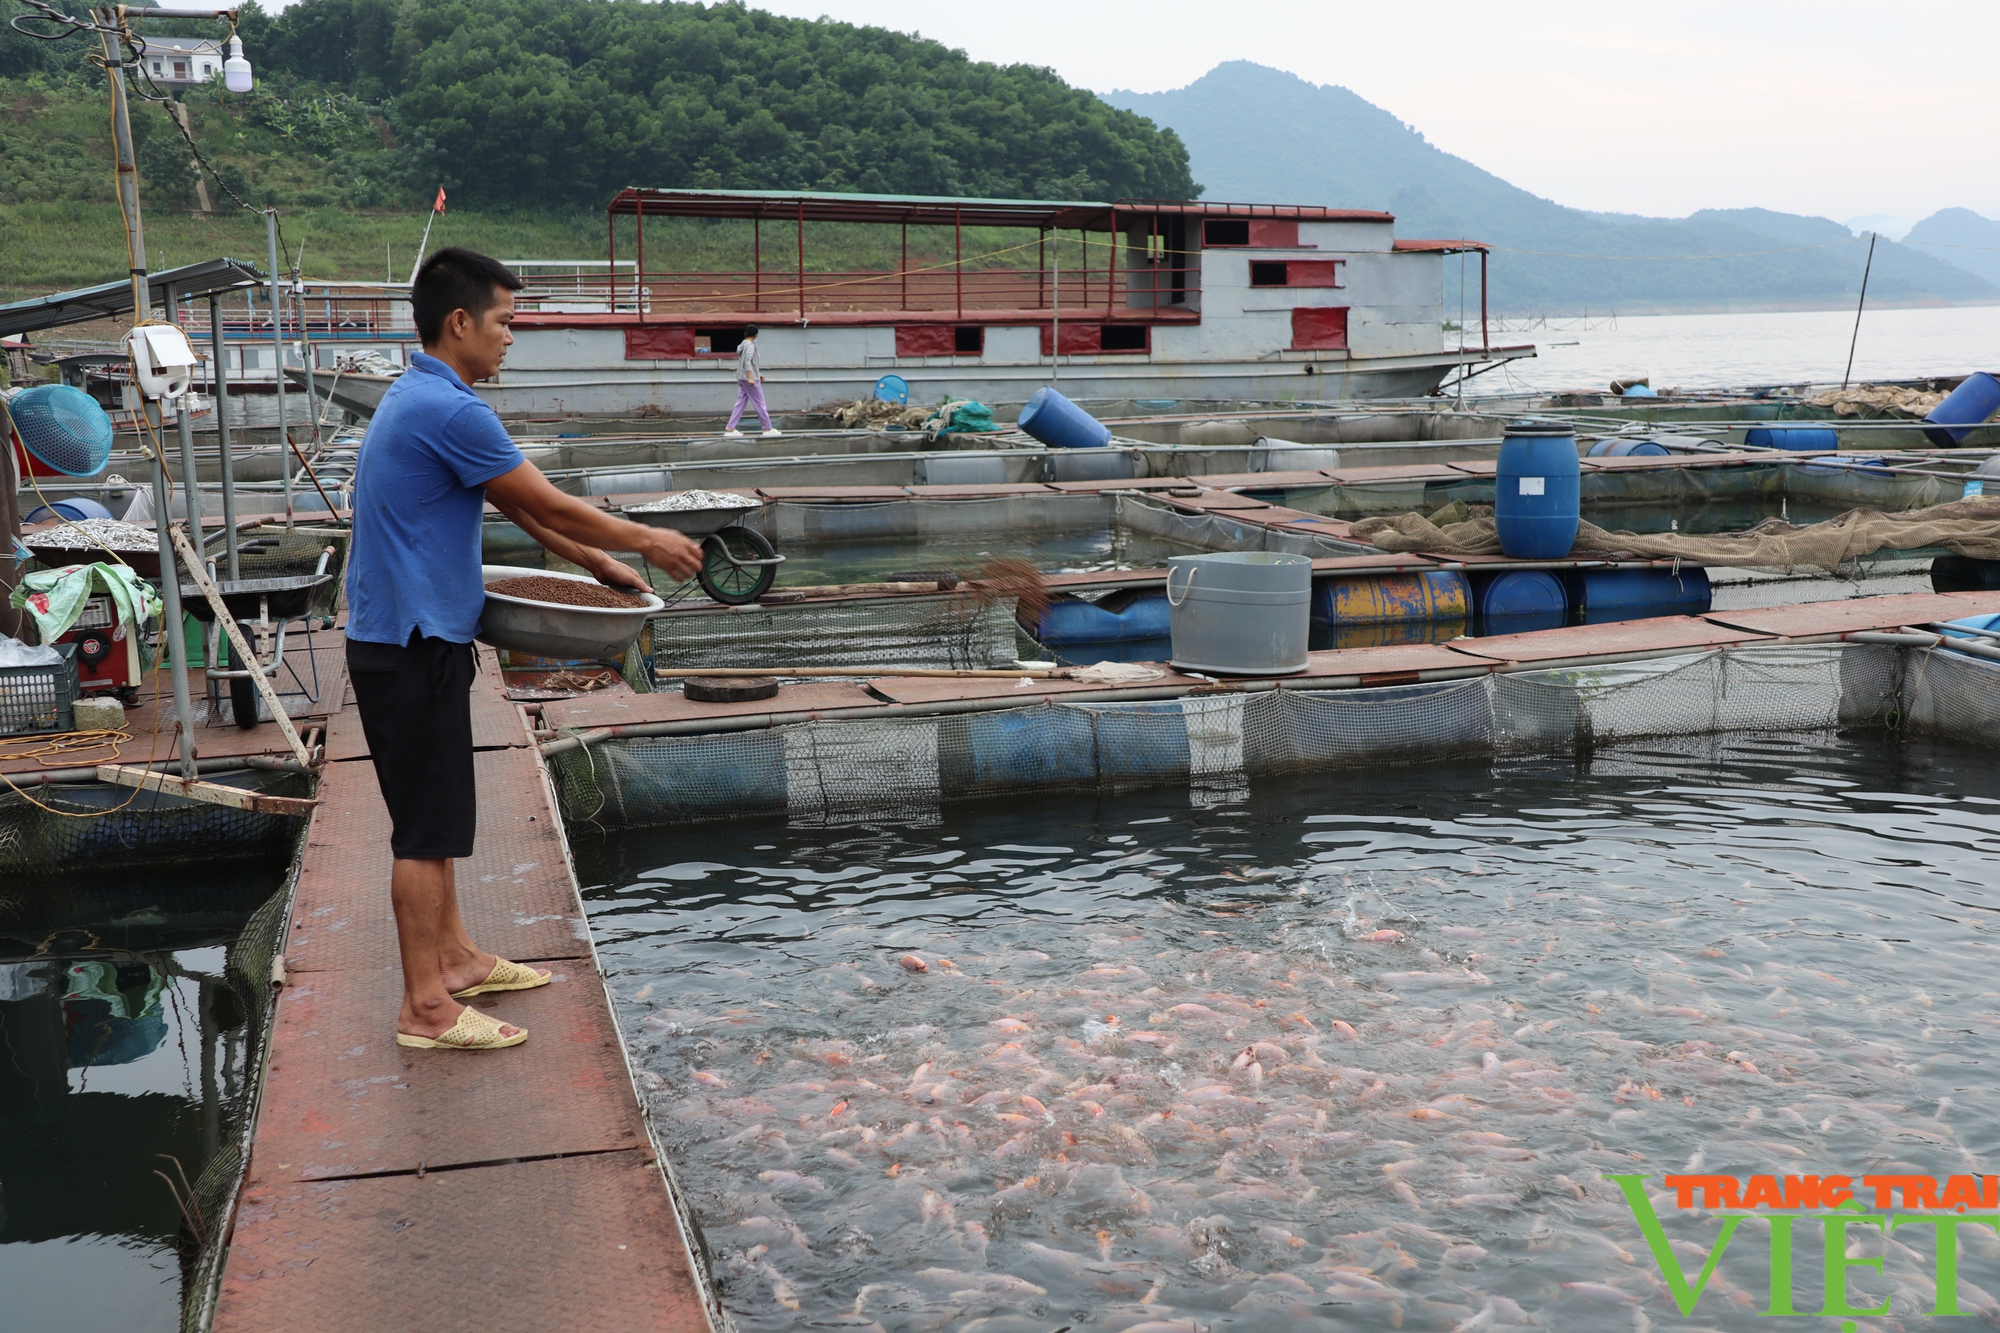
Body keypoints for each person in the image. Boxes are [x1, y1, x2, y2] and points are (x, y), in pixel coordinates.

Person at [345, 247, 702, 1052]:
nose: (513, 336)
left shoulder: (423, 393)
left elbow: (511, 502)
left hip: (406, 638)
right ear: (460, 321)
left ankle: (458, 958)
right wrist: (648, 538)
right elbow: (544, 498)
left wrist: (597, 562)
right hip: (409, 645)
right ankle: (426, 1008)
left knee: (438, 816)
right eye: (505, 321)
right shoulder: (452, 409)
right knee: (424, 831)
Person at [724, 325, 781, 438]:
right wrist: (751, 377)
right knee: (760, 403)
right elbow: (747, 362)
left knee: (740, 403)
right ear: (756, 335)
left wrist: (757, 374)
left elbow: (747, 363)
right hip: (749, 380)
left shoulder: (743, 345)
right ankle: (767, 428)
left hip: (742, 378)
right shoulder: (750, 346)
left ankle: (730, 427)